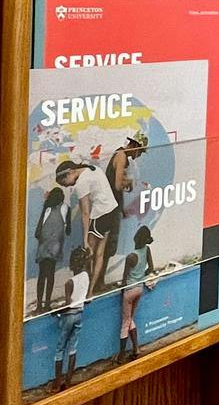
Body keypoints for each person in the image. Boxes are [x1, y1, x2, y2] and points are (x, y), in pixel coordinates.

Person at [55, 158, 120, 295]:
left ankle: (86, 292)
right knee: (100, 254)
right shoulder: (93, 169)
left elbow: (85, 213)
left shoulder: (81, 183)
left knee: (88, 254)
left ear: (70, 173)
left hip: (100, 214)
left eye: (65, 183)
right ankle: (91, 290)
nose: (67, 187)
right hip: (112, 210)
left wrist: (85, 240)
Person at [97, 132, 147, 287]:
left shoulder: (121, 157)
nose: (138, 156)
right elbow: (118, 185)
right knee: (107, 247)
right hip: (109, 209)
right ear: (135, 146)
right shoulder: (121, 156)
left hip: (113, 207)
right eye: (140, 151)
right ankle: (99, 282)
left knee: (108, 247)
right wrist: (129, 182)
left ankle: (99, 280)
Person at [117, 224, 156, 363]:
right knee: (130, 319)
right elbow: (151, 268)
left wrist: (122, 291)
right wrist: (140, 276)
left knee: (125, 322)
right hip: (139, 289)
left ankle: (121, 355)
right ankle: (136, 349)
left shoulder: (131, 257)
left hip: (129, 290)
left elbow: (124, 278)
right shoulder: (147, 250)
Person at [54, 246, 91, 389]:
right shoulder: (86, 276)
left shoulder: (69, 282)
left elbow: (68, 304)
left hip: (69, 316)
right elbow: (84, 297)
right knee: (72, 348)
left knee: (60, 348)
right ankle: (68, 380)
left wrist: (56, 310)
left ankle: (57, 382)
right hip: (79, 314)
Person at [33, 186, 68, 315]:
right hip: (55, 247)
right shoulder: (65, 209)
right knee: (50, 275)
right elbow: (68, 229)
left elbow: (38, 229)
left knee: (41, 275)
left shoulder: (46, 208)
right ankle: (47, 304)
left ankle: (39, 305)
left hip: (43, 246)